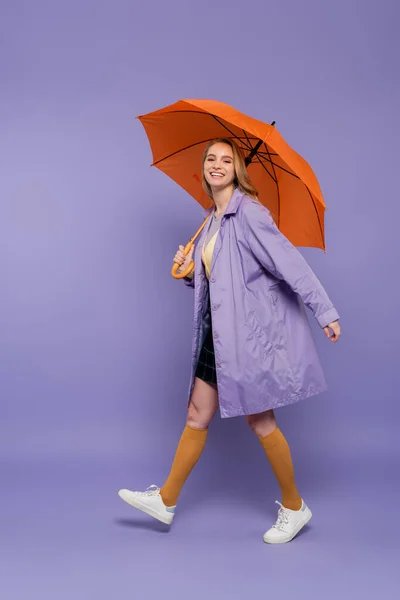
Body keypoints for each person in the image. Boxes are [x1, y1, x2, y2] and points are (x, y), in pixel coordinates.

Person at [118, 138, 341, 544]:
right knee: (196, 415)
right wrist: (188, 270)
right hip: (214, 332)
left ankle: (294, 507)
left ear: (239, 170)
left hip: (244, 336)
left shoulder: (250, 213)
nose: (217, 165)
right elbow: (222, 279)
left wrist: (324, 310)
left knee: (261, 420)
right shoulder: (212, 218)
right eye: (210, 159)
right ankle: (166, 500)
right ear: (203, 168)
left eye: (226, 160)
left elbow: (289, 263)